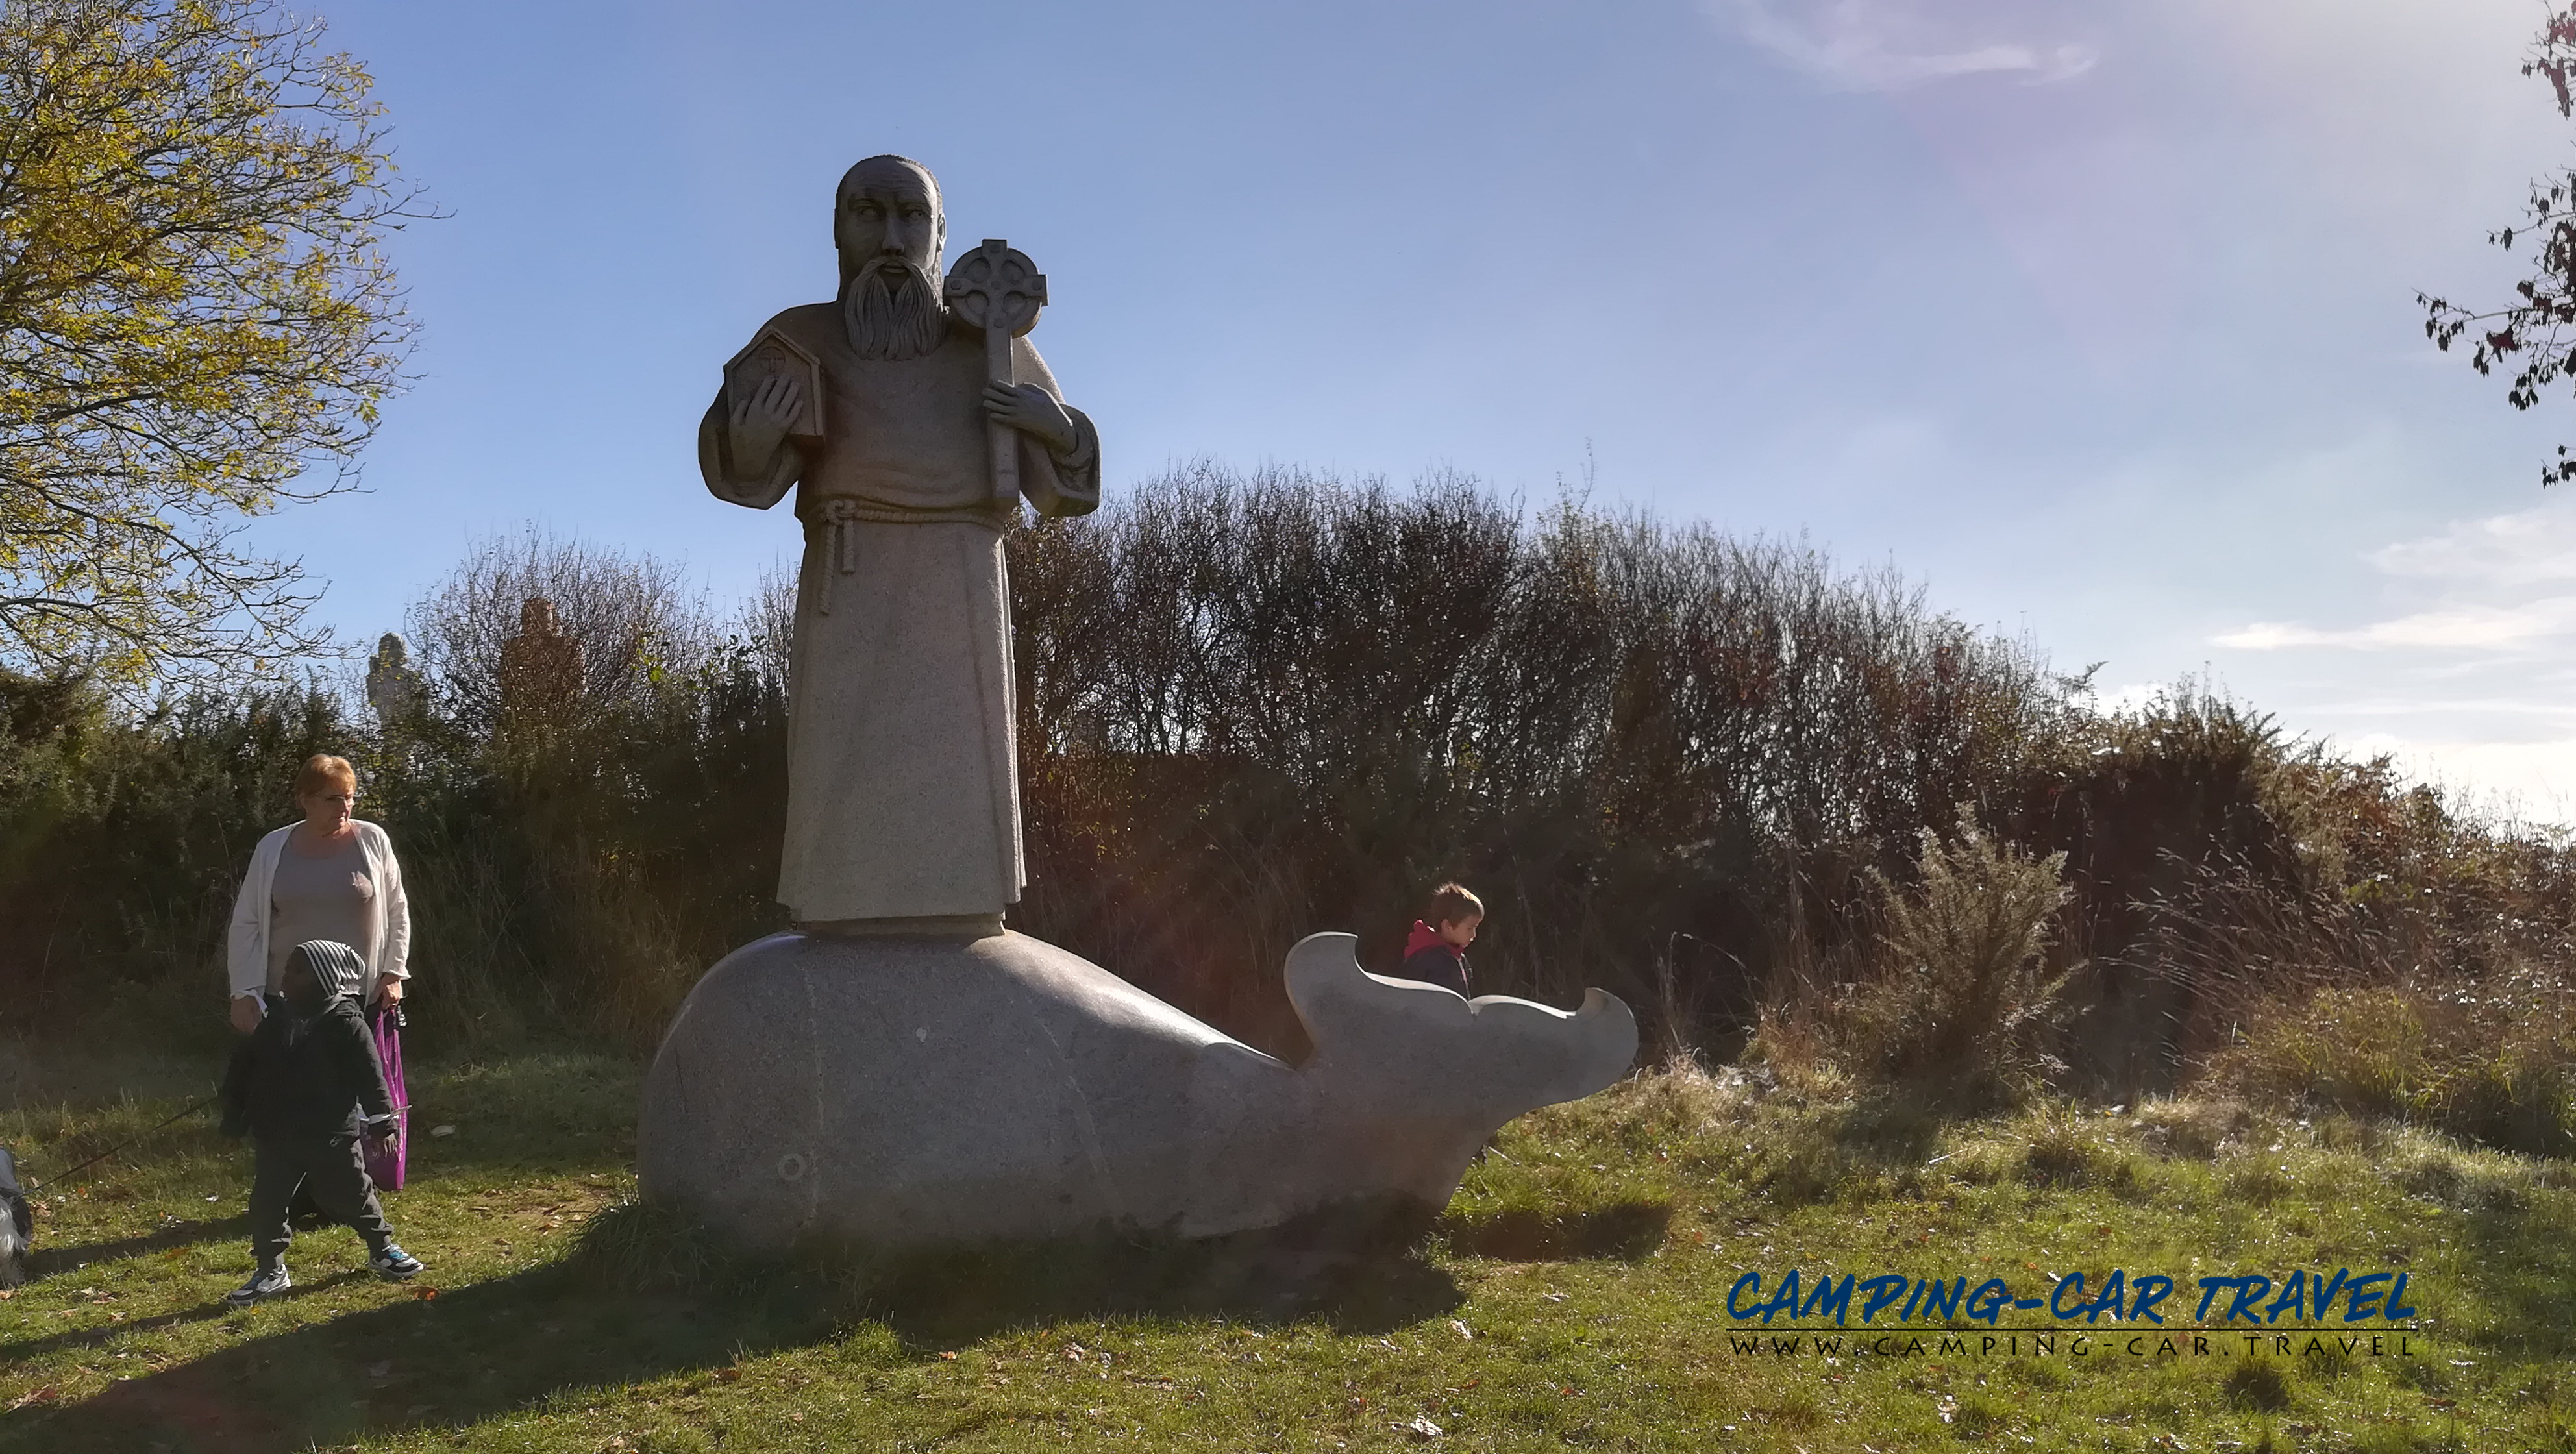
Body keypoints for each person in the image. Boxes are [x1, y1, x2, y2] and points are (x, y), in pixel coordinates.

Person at [226, 754, 414, 1190]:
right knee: (293, 1097)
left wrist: (394, 972)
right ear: (304, 800)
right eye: (333, 799)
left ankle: (348, 1190)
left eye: (349, 798)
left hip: (354, 998)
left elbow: (397, 909)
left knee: (347, 1097)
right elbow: (248, 921)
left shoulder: (373, 841)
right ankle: (292, 1191)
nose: (344, 808)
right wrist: (244, 992)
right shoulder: (274, 848)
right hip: (288, 997)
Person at [218, 940, 423, 1305]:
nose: (286, 977)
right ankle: (270, 1269)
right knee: (267, 1201)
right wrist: (234, 1119)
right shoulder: (275, 1021)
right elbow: (242, 1070)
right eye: (288, 969)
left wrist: (382, 1123)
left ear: (324, 981)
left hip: (330, 1135)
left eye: (297, 971)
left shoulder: (347, 1025)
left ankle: (382, 1247)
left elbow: (370, 1078)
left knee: (354, 1195)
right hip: (276, 1134)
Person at [1394, 883, 1483, 998]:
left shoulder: (1456, 957)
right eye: (1470, 928)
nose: (1474, 934)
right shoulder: (1434, 960)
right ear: (1447, 926)